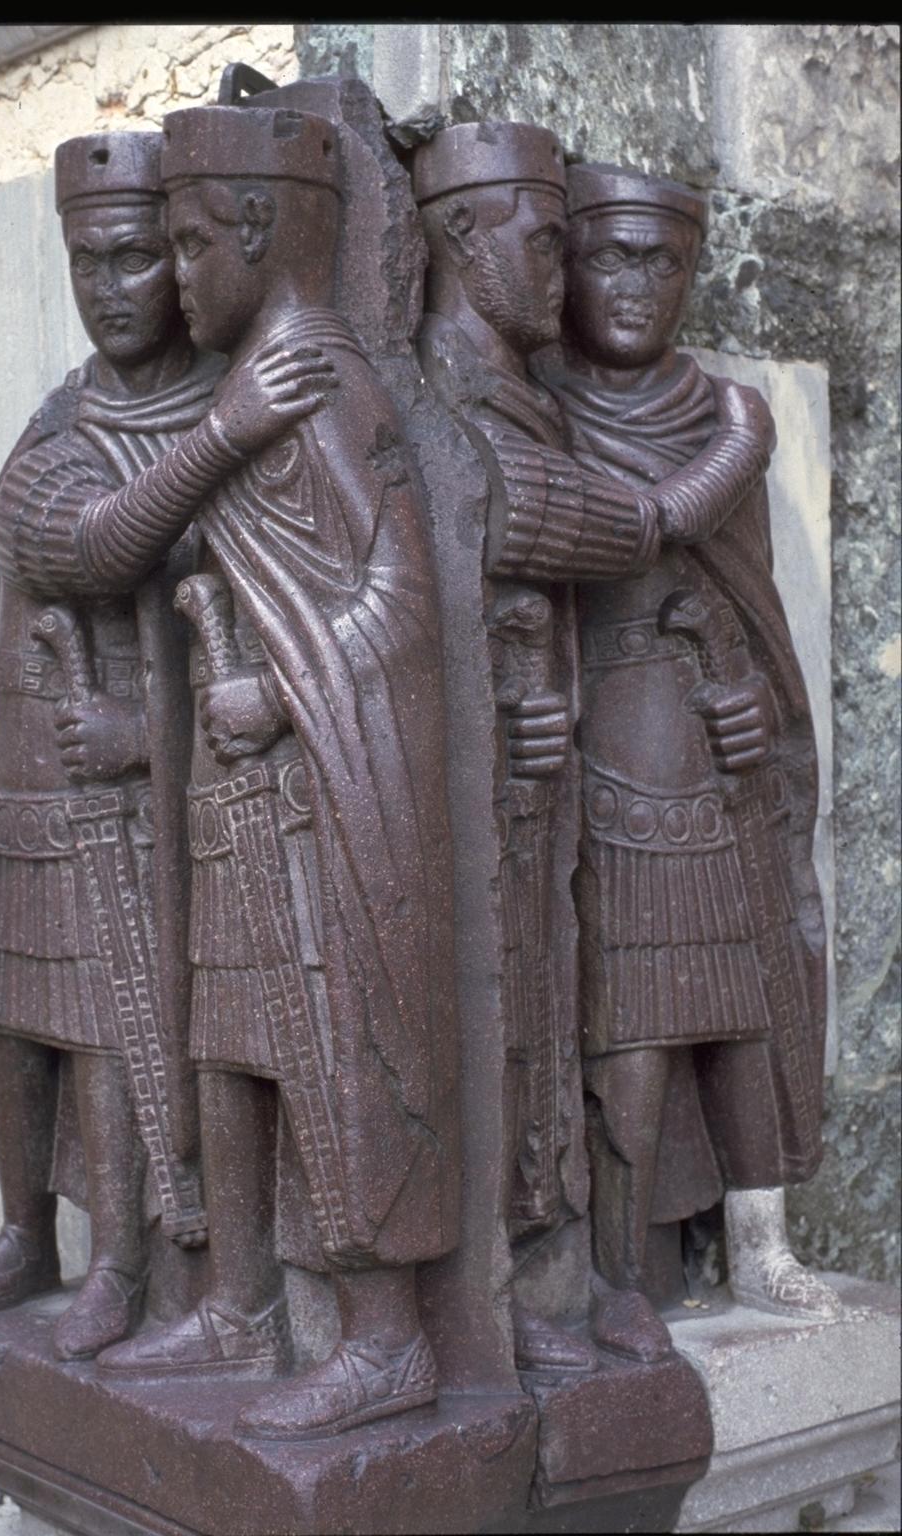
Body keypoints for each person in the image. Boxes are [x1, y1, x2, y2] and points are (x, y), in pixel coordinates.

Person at [39, 102, 462, 1441]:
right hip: (242, 800)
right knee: (230, 1055)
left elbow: (400, 597)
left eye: (184, 244)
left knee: (337, 1054)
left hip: (320, 794)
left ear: (259, 231)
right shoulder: (253, 387)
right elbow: (113, 548)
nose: (170, 278)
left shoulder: (321, 383)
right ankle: (237, 1306)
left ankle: (386, 1341)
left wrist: (277, 691)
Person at [0, 131, 229, 1360]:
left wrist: (150, 731)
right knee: (12, 1021)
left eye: (135, 257)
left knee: (111, 1026)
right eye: (87, 263)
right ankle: (27, 1233)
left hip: (137, 793)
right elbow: (76, 549)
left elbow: (244, 620)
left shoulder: (221, 413)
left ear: (182, 260)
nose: (110, 288)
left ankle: (120, 1260)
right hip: (31, 776)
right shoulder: (63, 419)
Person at [534, 163, 835, 1335]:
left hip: (712, 761)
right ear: (564, 266)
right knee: (629, 1034)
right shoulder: (535, 409)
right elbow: (550, 565)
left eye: (662, 263)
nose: (634, 285)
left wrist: (755, 700)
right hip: (600, 767)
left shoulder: (719, 412)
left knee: (748, 1011)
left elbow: (749, 599)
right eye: (608, 257)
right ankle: (618, 1268)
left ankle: (760, 1244)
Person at [413, 122, 675, 1368]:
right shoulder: (439, 391)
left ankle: (534, 1279)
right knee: (488, 1027)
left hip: (532, 792)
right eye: (546, 243)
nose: (563, 274)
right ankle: (492, 1295)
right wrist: (683, 488)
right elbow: (516, 516)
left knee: (531, 1023)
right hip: (464, 792)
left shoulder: (514, 391)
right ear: (462, 237)